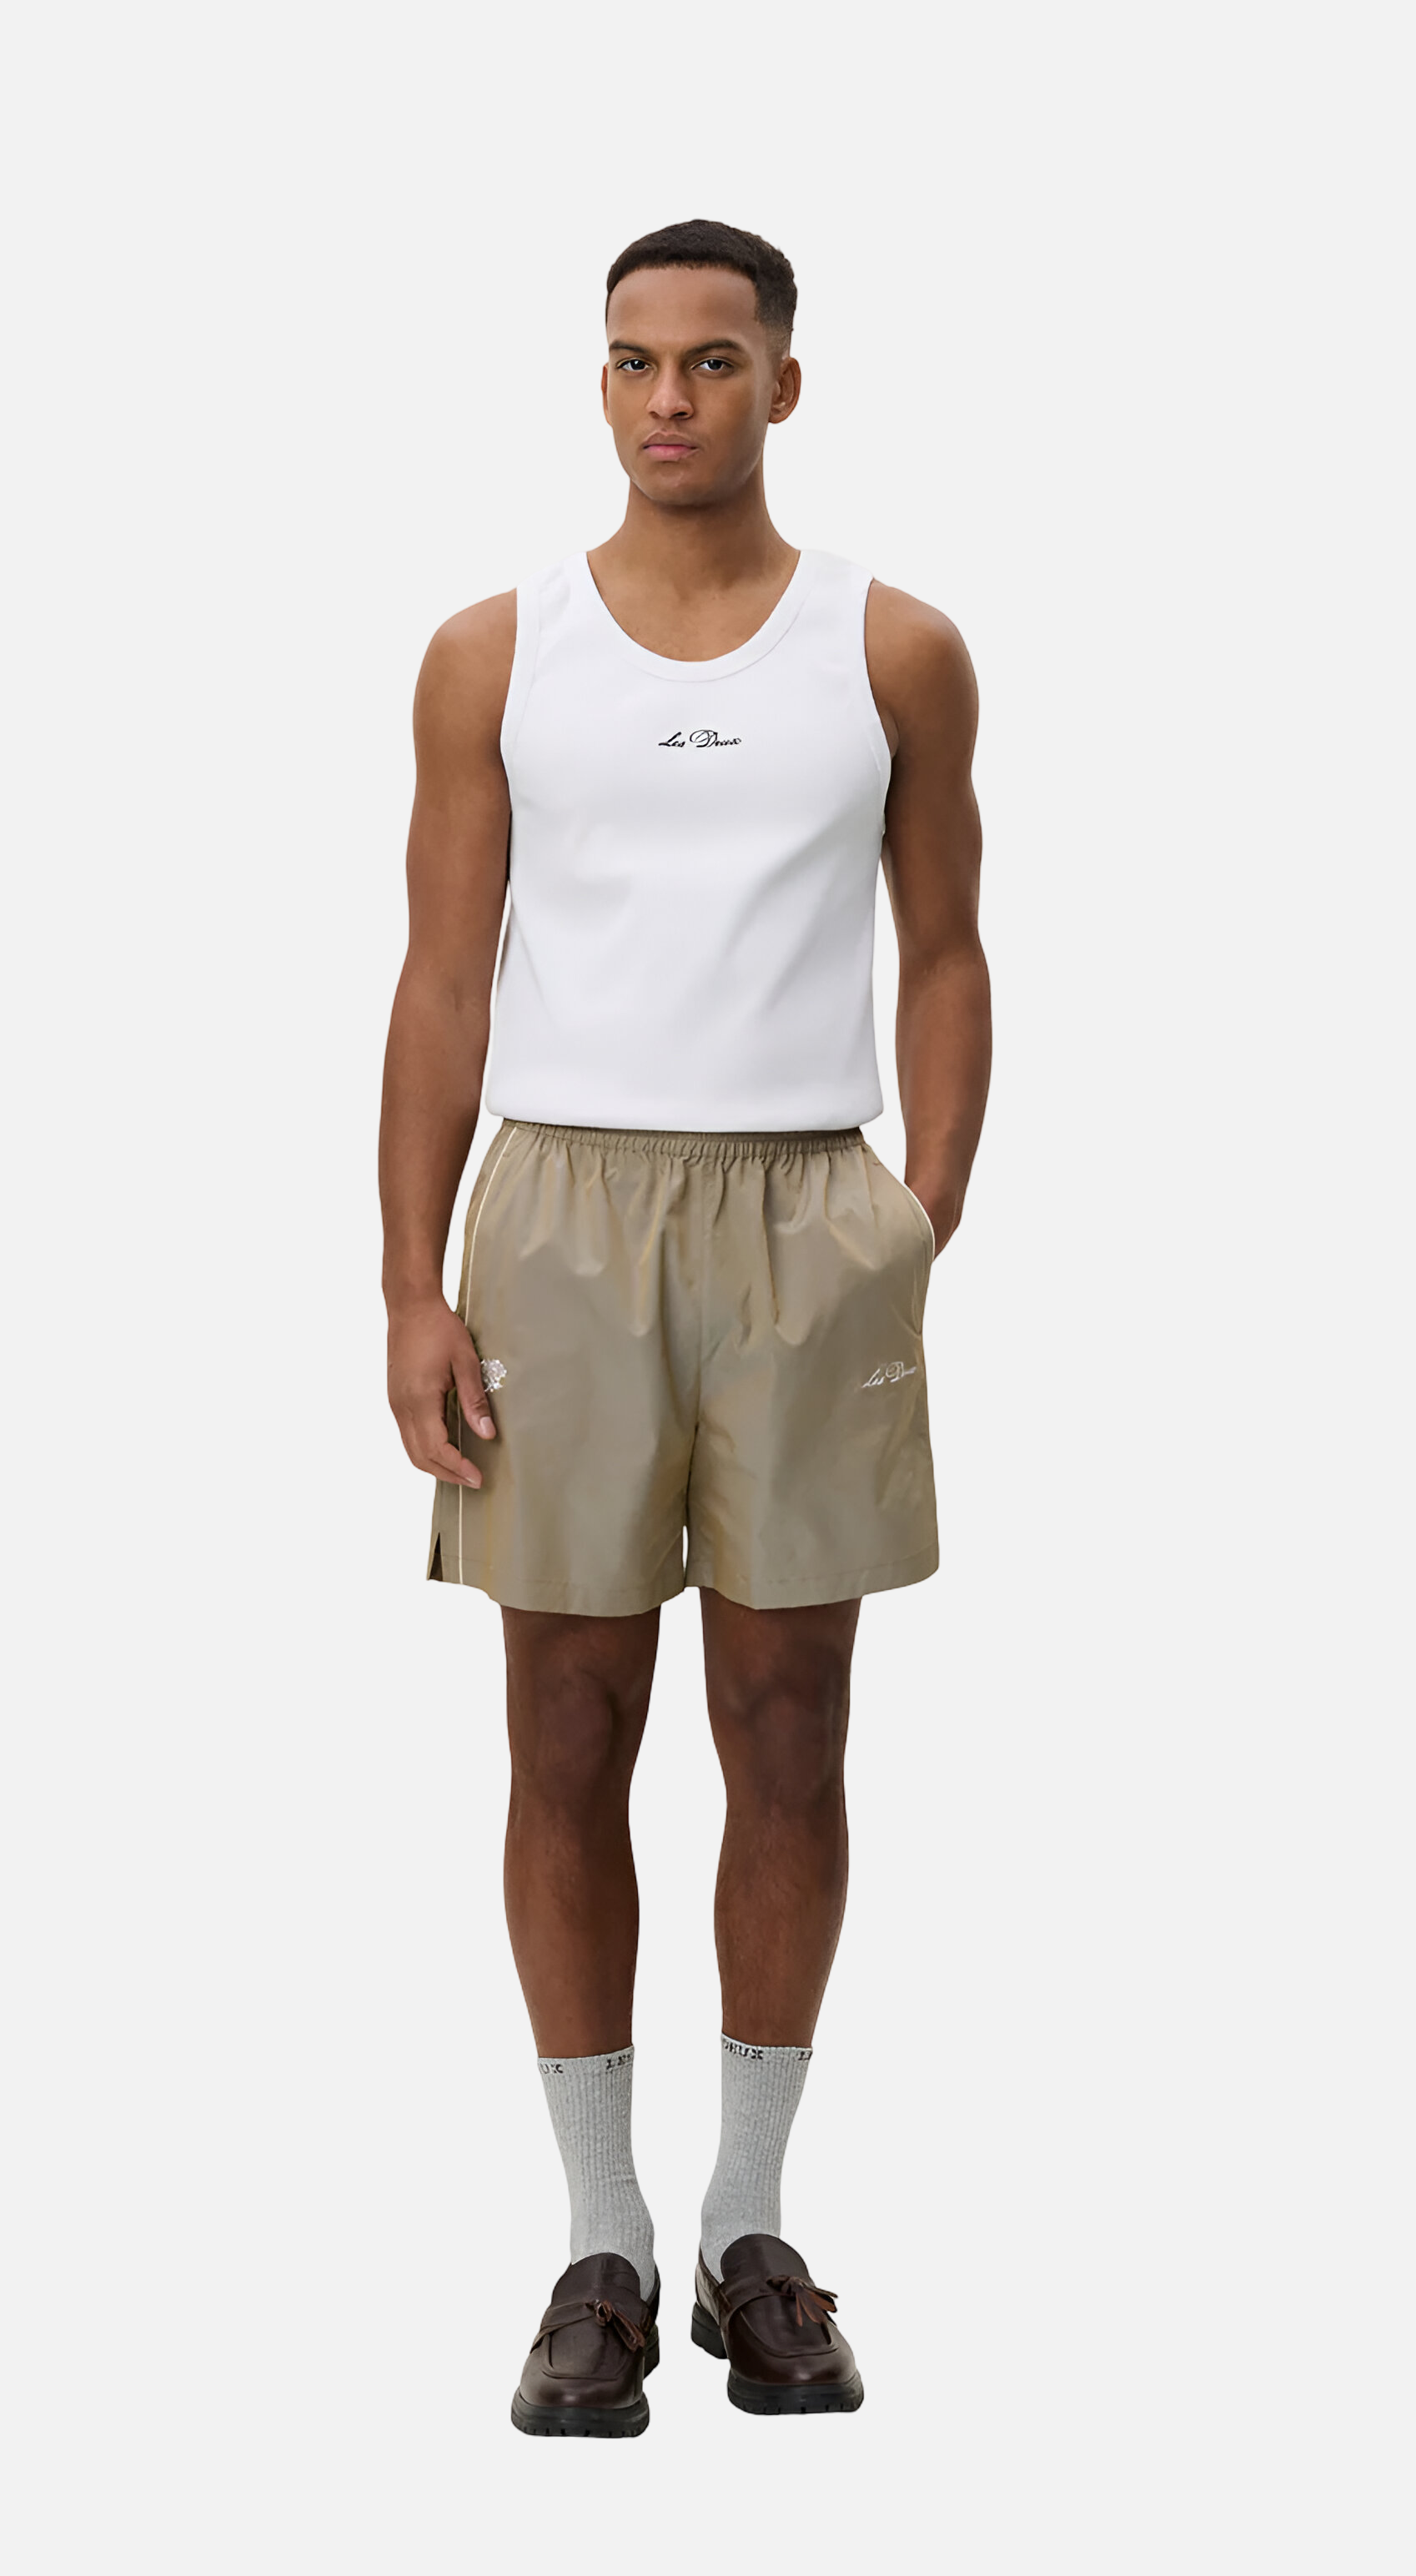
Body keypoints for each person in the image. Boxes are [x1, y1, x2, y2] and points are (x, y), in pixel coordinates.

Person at [379, 218, 990, 2436]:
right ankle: (598, 2245)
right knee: (564, 1718)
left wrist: (920, 1208)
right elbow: (441, 976)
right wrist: (410, 1282)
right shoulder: (497, 652)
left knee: (791, 1716)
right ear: (603, 380)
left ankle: (747, 2231)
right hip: (560, 1213)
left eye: (713, 362)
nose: (669, 397)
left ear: (780, 384)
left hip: (806, 1208)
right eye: (635, 360)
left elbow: (946, 942)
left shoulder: (891, 648)